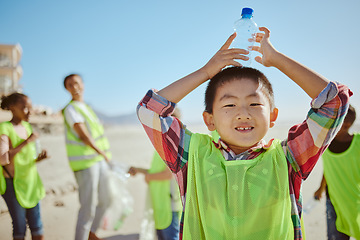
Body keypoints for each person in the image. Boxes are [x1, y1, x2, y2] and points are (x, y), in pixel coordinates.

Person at [136, 26, 351, 240]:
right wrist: (205, 72)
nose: (243, 113)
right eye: (229, 105)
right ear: (209, 120)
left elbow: (334, 102)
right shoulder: (191, 156)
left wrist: (277, 59)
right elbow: (149, 110)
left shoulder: (288, 158)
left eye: (254, 103)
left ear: (273, 116)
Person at [62, 74, 112, 240]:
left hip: (98, 160)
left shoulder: (87, 107)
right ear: (67, 89)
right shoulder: (70, 109)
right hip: (85, 163)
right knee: (87, 208)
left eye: (76, 83)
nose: (74, 87)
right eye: (70, 85)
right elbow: (84, 135)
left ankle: (91, 234)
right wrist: (102, 152)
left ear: (82, 84)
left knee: (106, 199)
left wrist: (103, 155)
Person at [0, 92, 48, 240]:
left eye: (30, 108)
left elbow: (27, 159)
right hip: (13, 183)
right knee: (20, 226)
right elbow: (3, 159)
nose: (29, 111)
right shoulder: (5, 128)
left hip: (31, 182)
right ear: (12, 108)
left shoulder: (27, 127)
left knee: (37, 225)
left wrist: (39, 158)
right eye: (25, 107)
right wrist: (27, 141)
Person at [129, 108, 182, 240]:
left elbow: (167, 175)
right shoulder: (162, 144)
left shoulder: (172, 144)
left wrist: (148, 177)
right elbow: (157, 171)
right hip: (161, 202)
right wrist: (139, 170)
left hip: (170, 204)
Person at [314, 105, 359, 240]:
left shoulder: (358, 142)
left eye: (348, 121)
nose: (344, 124)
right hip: (332, 200)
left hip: (354, 200)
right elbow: (329, 168)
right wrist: (320, 188)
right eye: (342, 120)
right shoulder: (325, 143)